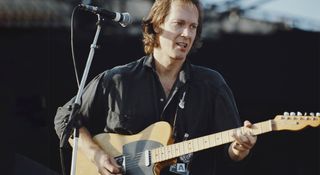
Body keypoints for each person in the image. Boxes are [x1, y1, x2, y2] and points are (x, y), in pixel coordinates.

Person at [54, 0, 257, 174]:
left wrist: (240, 148)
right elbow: (65, 118)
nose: (187, 33)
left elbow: (232, 151)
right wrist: (96, 155)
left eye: (193, 27)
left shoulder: (212, 84)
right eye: (179, 23)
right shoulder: (118, 79)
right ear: (158, 25)